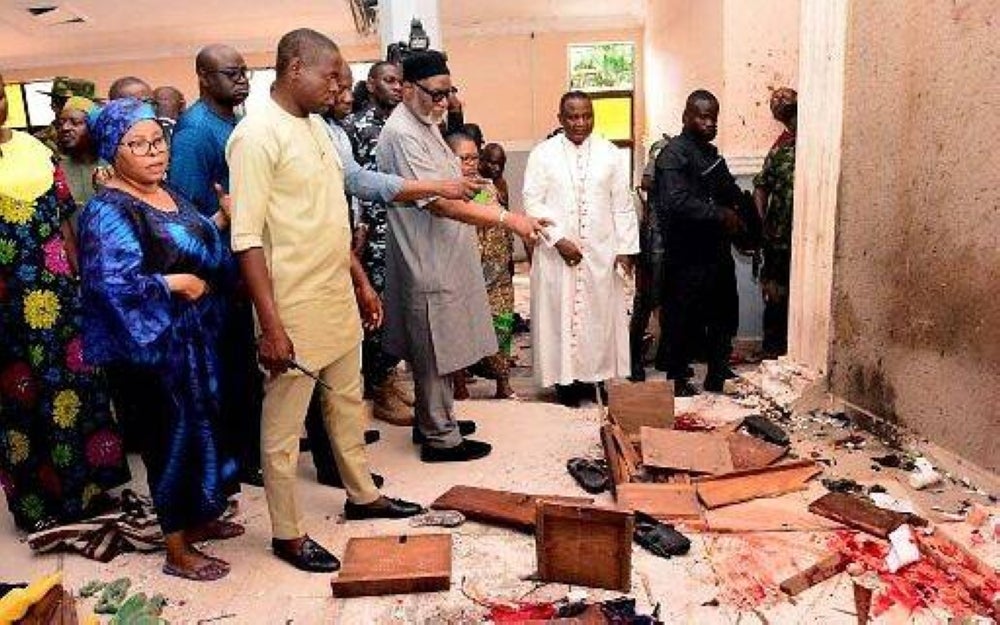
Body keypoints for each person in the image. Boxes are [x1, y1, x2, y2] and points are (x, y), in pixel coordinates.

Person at [227, 29, 425, 573]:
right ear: (294, 68)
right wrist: (270, 326)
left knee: (347, 404)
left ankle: (363, 496)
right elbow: (245, 239)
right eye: (331, 76)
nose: (339, 87)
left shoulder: (317, 126)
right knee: (283, 429)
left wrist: (360, 282)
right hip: (291, 305)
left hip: (336, 292)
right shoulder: (255, 136)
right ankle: (287, 533)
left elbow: (331, 217)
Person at [78, 98, 242, 581]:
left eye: (158, 141)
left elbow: (183, 242)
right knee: (166, 440)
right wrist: (178, 284)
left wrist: (220, 221)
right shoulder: (107, 211)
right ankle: (176, 547)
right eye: (138, 144)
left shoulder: (165, 191)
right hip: (151, 352)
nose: (154, 152)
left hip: (194, 340)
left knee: (204, 430)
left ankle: (201, 517)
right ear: (113, 150)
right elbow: (112, 285)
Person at [376, 49, 547, 461]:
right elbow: (440, 203)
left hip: (444, 253)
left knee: (443, 342)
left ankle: (432, 420)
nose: (444, 102)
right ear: (407, 88)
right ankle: (441, 439)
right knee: (433, 348)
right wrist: (509, 219)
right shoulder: (402, 133)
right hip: (426, 258)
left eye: (448, 92)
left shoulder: (425, 120)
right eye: (436, 94)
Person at [0, 73, 129, 534]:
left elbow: (64, 219)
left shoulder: (36, 150)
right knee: (22, 398)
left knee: (74, 386)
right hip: (8, 306)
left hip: (58, 291)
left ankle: (88, 491)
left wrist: (77, 274)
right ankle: (38, 504)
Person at [168, 44, 263, 487]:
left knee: (243, 368)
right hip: (216, 275)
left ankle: (249, 452)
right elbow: (186, 217)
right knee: (227, 372)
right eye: (231, 73)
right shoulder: (194, 133)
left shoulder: (236, 121)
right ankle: (234, 463)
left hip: (242, 264)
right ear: (204, 78)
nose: (242, 80)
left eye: (245, 72)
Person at [523, 91, 639, 407]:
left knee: (598, 317)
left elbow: (622, 205)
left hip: (600, 251)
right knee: (559, 315)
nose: (580, 123)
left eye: (587, 116)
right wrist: (558, 239)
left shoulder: (610, 154)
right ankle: (565, 383)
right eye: (573, 117)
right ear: (560, 119)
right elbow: (532, 201)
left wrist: (626, 249)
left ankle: (593, 377)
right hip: (556, 253)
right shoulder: (543, 154)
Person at [656, 89, 742, 396]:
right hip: (686, 252)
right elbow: (675, 201)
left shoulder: (710, 154)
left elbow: (729, 192)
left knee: (724, 312)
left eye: (713, 118)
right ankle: (678, 378)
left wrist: (742, 216)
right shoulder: (673, 154)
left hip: (716, 250)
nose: (709, 123)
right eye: (703, 117)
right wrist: (720, 215)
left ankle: (717, 372)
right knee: (682, 317)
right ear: (686, 117)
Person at [342, 61, 414, 426]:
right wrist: (359, 227)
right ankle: (379, 386)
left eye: (400, 81)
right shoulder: (354, 126)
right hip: (372, 234)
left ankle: (388, 375)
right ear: (371, 84)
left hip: (404, 225)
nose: (397, 87)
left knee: (400, 305)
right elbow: (350, 183)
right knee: (377, 308)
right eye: (389, 80)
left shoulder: (404, 124)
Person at [447, 133, 517, 399]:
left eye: (474, 158)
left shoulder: (490, 187)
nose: (471, 164)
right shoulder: (445, 192)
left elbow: (503, 227)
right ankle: (459, 385)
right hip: (463, 273)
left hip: (497, 273)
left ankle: (502, 382)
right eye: (464, 159)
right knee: (460, 328)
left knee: (502, 323)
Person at [753, 87, 797, 358]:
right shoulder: (779, 147)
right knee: (775, 296)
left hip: (810, 239)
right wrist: (760, 225)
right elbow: (761, 186)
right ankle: (772, 352)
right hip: (778, 238)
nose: (779, 100)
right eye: (774, 100)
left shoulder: (816, 140)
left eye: (784, 96)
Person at [629, 134, 671, 382]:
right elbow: (646, 181)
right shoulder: (663, 148)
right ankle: (634, 358)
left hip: (676, 237)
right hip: (654, 237)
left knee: (672, 301)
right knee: (646, 299)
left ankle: (667, 354)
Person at [55, 96, 102, 211]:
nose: (65, 128)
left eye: (75, 123)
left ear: (93, 127)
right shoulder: (55, 168)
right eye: (61, 123)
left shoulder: (112, 165)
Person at [34, 77, 96, 152]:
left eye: (84, 104)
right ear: (54, 106)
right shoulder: (38, 143)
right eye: (68, 103)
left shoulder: (99, 138)